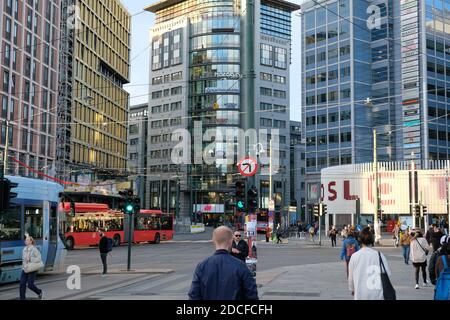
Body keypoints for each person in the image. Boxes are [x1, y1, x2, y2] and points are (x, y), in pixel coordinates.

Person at [188, 226, 258, 300]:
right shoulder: (241, 266)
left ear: (213, 241)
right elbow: (252, 295)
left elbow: (193, 295)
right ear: (231, 241)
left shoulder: (202, 266)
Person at [348, 227, 391, 300]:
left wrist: (352, 288)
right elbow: (388, 274)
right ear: (372, 241)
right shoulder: (379, 255)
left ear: (360, 241)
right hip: (378, 294)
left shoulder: (354, 256)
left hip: (361, 294)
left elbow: (351, 277)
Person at [20, 235, 43, 300]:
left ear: (31, 241)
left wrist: (30, 258)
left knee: (30, 285)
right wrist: (23, 267)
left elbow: (39, 259)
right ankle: (22, 298)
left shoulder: (34, 249)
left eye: (27, 240)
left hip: (32, 269)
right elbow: (23, 260)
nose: (25, 241)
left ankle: (39, 292)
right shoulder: (24, 249)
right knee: (22, 284)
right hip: (25, 268)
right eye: (25, 240)